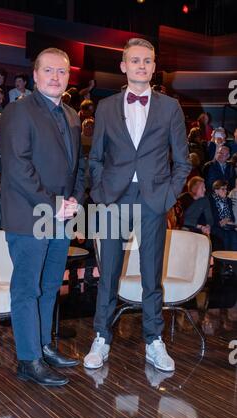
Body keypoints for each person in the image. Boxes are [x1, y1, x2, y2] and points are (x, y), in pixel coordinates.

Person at [84, 38, 190, 373]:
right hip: (114, 199)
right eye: (135, 60)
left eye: (147, 61)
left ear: (154, 66)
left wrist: (166, 197)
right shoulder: (105, 107)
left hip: (152, 200)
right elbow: (96, 157)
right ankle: (101, 337)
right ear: (123, 65)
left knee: (150, 275)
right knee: (109, 272)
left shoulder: (170, 107)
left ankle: (154, 340)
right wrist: (102, 194)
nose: (141, 66)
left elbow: (183, 163)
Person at [0, 47, 85, 387]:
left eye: (61, 72)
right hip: (29, 215)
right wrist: (53, 203)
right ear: (35, 75)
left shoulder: (72, 115)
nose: (55, 76)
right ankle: (28, 360)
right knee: (26, 289)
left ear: (68, 77)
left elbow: (75, 167)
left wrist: (76, 197)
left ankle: (44, 346)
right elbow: (18, 168)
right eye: (48, 70)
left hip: (61, 216)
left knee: (50, 286)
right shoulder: (18, 111)